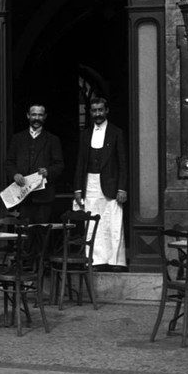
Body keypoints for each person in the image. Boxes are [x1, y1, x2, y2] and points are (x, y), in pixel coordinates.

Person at [73, 96, 128, 268]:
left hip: (111, 183)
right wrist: (77, 189)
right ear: (90, 112)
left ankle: (115, 261)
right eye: (94, 110)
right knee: (91, 221)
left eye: (100, 110)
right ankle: (95, 260)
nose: (97, 114)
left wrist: (122, 188)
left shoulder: (116, 132)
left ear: (107, 111)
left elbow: (123, 163)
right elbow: (80, 162)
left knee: (113, 220)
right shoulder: (85, 134)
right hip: (90, 182)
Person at [6, 103, 65, 226]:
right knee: (24, 235)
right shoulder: (17, 139)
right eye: (34, 115)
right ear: (28, 116)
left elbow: (59, 165)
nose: (36, 118)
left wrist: (48, 171)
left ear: (45, 117)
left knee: (41, 234)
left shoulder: (53, 140)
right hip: (22, 195)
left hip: (44, 197)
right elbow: (9, 162)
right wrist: (15, 174)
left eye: (40, 115)